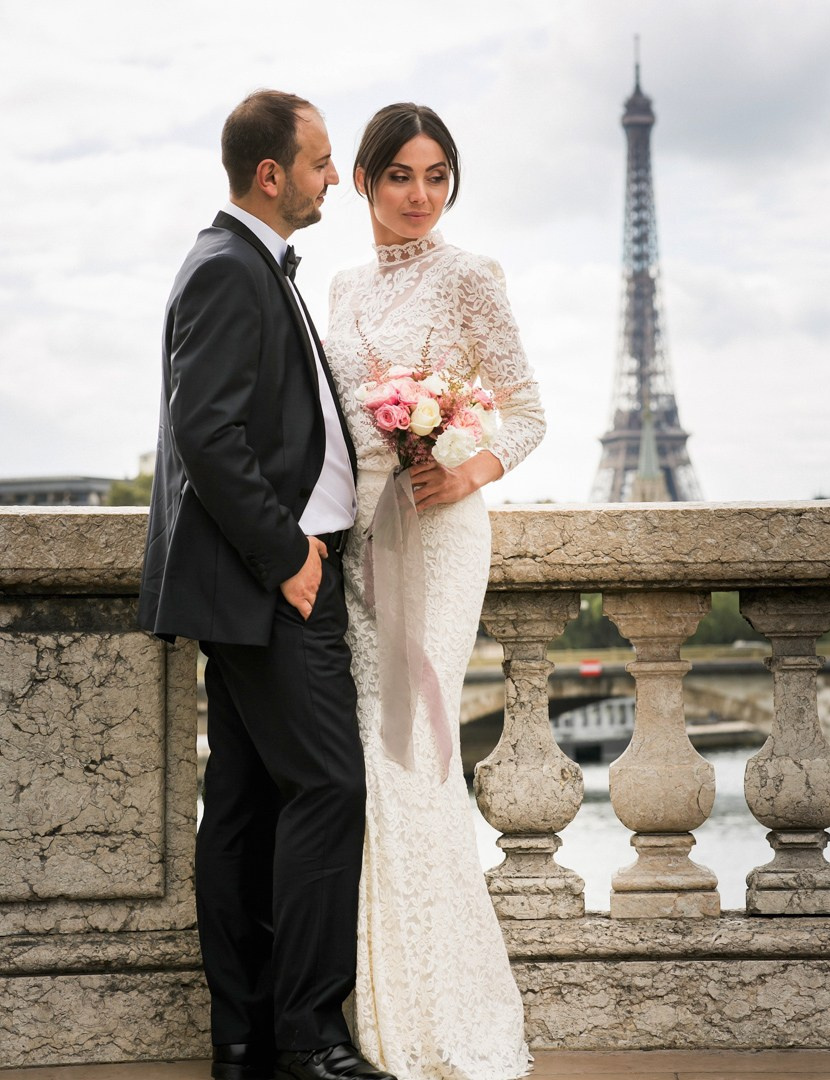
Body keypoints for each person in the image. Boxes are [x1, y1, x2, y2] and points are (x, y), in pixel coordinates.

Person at [138, 90, 395, 1080]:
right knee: (330, 785)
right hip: (274, 582)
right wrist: (289, 555)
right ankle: (311, 1038)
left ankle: (243, 1039)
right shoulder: (228, 270)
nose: (338, 177)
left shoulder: (242, 265)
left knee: (244, 806)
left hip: (256, 582)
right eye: (324, 162)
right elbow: (209, 435)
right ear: (272, 174)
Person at [325, 104, 545, 1080]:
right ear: (366, 180)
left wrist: (466, 471)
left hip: (442, 528)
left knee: (412, 751)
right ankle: (380, 997)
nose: (422, 195)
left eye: (439, 175)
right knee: (373, 762)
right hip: (359, 540)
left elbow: (530, 411)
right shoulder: (339, 287)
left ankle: (434, 1012)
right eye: (402, 175)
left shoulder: (469, 277)